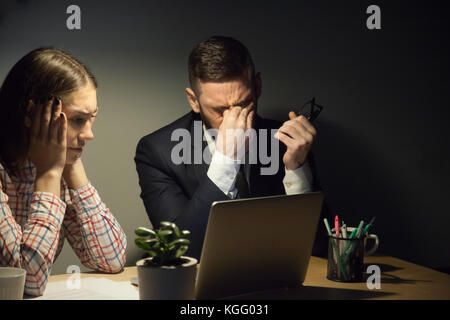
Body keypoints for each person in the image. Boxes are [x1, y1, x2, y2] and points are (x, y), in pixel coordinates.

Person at [135, 36, 328, 260]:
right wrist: (225, 160)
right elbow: (181, 253)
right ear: (193, 100)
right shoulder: (158, 152)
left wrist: (297, 170)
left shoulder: (287, 144)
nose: (233, 119)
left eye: (243, 104)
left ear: (257, 87)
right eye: (219, 110)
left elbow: (319, 248)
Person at [0, 48, 127, 296]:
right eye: (79, 120)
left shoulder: (58, 166)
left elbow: (112, 260)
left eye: (92, 119)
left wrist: (72, 167)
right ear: (32, 114)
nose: (90, 134)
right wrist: (48, 175)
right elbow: (26, 283)